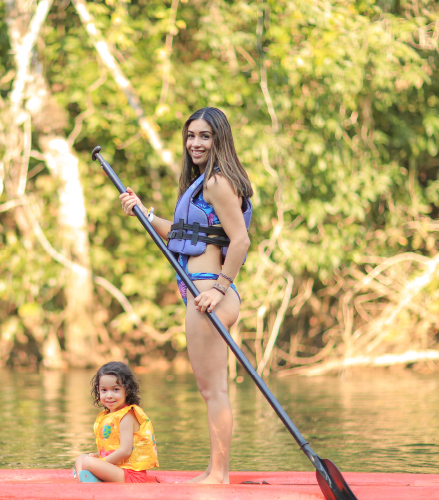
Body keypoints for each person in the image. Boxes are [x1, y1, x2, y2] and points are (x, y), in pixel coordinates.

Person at [119, 107, 253, 484]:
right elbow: (182, 235)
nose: (195, 143)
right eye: (191, 135)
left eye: (205, 136)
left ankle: (220, 475)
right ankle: (214, 470)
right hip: (204, 291)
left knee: (214, 390)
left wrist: (219, 289)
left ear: (219, 140)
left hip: (209, 291)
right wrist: (142, 212)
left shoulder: (216, 183)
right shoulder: (202, 184)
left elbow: (241, 241)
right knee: (210, 389)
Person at [73, 361, 159, 483]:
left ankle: (87, 476)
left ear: (127, 390)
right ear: (98, 390)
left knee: (88, 462)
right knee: (82, 458)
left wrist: (100, 463)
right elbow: (112, 447)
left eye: (115, 389)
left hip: (130, 475)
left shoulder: (127, 416)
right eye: (104, 390)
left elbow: (125, 451)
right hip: (116, 468)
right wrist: (97, 455)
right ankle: (87, 478)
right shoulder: (110, 416)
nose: (109, 395)